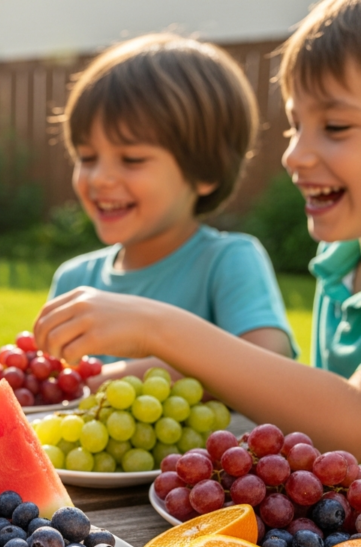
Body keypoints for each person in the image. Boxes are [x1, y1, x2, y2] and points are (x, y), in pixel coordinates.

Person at [35, 0, 361, 457]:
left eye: (337, 125)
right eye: (293, 126)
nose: (293, 155)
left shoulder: (230, 258)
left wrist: (154, 329)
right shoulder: (339, 270)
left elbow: (348, 419)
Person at [48, 33, 296, 385]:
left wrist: (101, 381)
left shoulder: (227, 262)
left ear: (205, 171)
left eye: (132, 159)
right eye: (86, 158)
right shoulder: (74, 281)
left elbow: (268, 359)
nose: (100, 178)